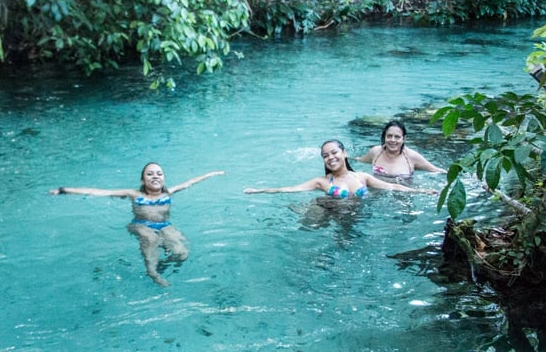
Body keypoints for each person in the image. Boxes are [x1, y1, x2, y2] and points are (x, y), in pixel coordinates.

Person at [51, 164, 224, 286]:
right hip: (140, 224)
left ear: (163, 179)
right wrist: (63, 190)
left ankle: (162, 264)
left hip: (164, 225)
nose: (155, 176)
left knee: (182, 254)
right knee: (149, 238)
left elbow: (190, 182)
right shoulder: (134, 194)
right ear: (142, 180)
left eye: (159, 173)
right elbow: (99, 192)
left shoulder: (168, 192)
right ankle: (152, 272)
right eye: (150, 174)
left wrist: (211, 174)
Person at [244, 139, 436, 199]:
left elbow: (393, 187)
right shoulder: (322, 182)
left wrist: (421, 191)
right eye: (325, 156)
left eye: (334, 152)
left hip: (360, 217)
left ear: (344, 153)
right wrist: (259, 190)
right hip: (332, 216)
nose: (330, 157)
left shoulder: (362, 177)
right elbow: (290, 189)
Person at [355, 120, 446, 179]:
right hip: (377, 192)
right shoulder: (375, 152)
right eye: (389, 136)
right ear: (384, 137)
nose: (393, 140)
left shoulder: (411, 156)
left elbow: (435, 170)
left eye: (397, 137)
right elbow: (360, 161)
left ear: (404, 139)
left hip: (403, 194)